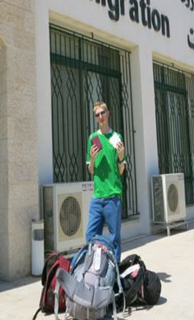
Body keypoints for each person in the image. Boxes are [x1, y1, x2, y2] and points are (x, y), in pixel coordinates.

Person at [85, 101, 126, 263]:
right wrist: (93, 158)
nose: (100, 117)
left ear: (108, 113)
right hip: (97, 196)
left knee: (115, 238)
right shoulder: (93, 138)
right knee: (90, 236)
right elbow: (91, 170)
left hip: (113, 195)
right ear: (95, 118)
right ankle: (97, 266)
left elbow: (121, 170)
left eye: (103, 113)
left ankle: (114, 274)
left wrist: (121, 156)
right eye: (97, 115)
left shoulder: (116, 138)